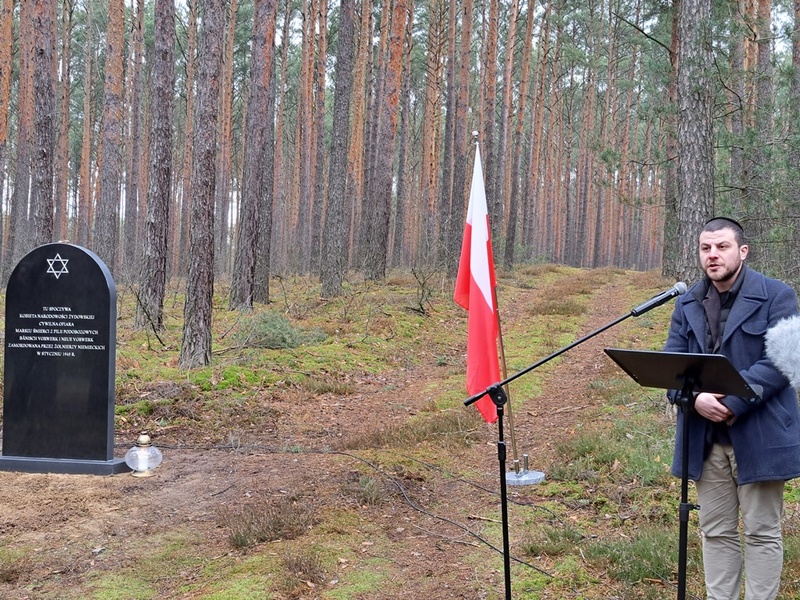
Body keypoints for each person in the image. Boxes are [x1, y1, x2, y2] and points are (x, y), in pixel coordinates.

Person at [664, 216, 800, 600]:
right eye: (705, 248)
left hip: (760, 434)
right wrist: (694, 399)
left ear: (742, 251)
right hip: (704, 438)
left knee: (761, 532)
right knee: (715, 531)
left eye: (722, 247)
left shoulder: (777, 295)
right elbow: (671, 367)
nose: (713, 255)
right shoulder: (687, 302)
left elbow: (782, 361)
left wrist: (733, 401)